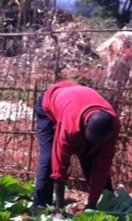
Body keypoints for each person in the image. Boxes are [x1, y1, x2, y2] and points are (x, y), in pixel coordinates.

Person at [33, 81, 120, 211]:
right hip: (51, 104)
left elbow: (103, 165)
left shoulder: (113, 126)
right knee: (49, 160)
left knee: (92, 158)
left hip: (75, 99)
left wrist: (91, 205)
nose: (94, 146)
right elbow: (59, 168)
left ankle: (106, 208)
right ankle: (39, 209)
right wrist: (60, 209)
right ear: (83, 129)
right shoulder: (70, 128)